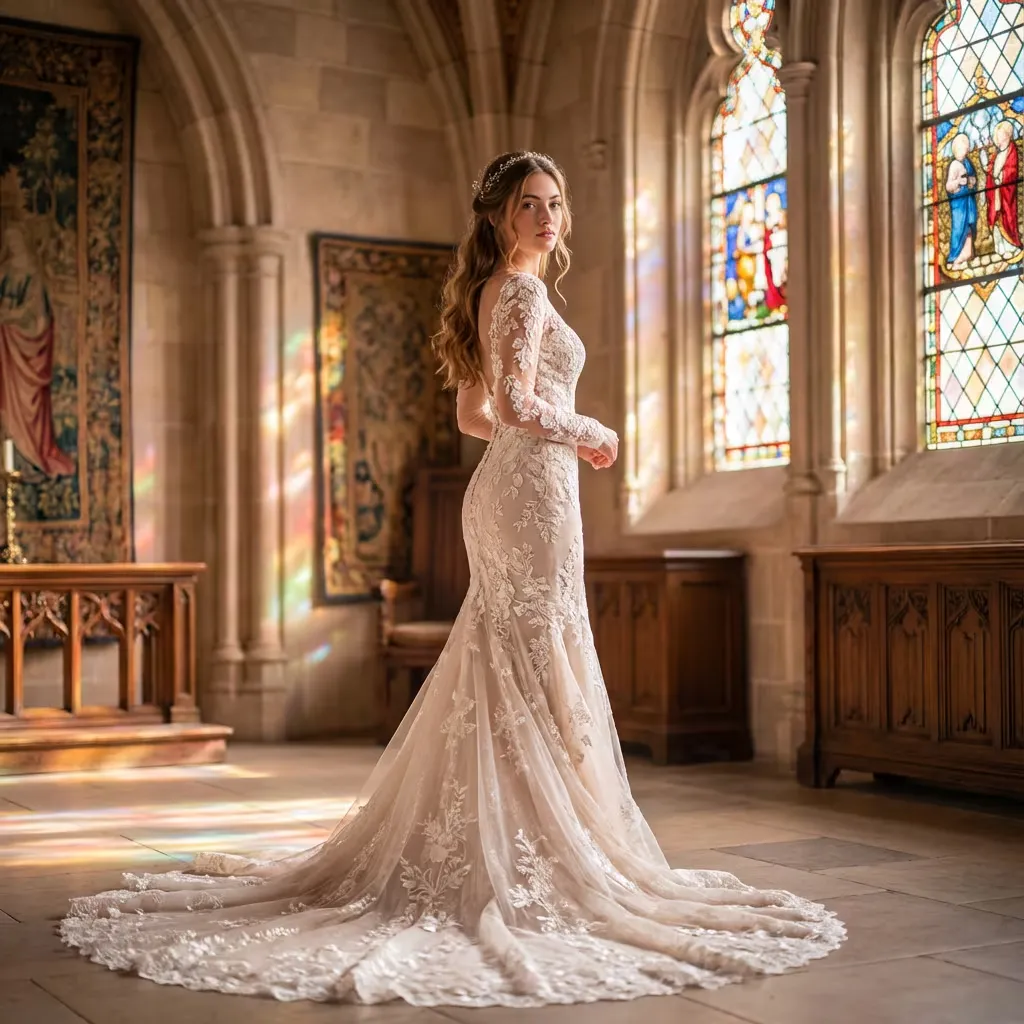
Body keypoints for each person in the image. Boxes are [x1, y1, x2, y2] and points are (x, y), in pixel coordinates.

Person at [60, 151, 844, 1007]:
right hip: (532, 495)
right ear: (500, 218)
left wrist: (535, 440)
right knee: (531, 654)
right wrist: (590, 430)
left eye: (554, 204)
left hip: (517, 490)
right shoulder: (520, 291)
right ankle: (531, 850)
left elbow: (474, 414)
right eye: (528, 206)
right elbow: (507, 407)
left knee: (514, 657)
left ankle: (524, 840)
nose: (546, 218)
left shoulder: (498, 293)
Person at [0, 223, 75, 477]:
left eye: (14, 243)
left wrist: (8, 316)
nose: (11, 249)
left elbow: (35, 316)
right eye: (7, 244)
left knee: (25, 402)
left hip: (26, 351)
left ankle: (29, 457)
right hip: (6, 351)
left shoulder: (32, 276)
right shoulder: (4, 274)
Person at [985, 119, 1021, 259]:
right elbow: (990, 171)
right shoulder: (995, 154)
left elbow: (1012, 170)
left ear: (1008, 136)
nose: (999, 140)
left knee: (1007, 218)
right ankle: (999, 248)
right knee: (994, 217)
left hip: (1006, 193)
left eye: (1002, 136)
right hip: (995, 193)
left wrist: (1002, 177)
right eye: (997, 137)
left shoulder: (1012, 151)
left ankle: (1011, 246)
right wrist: (990, 174)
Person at [945, 132, 978, 269]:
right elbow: (949, 186)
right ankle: (955, 258)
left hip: (968, 200)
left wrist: (971, 182)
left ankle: (967, 255)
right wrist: (959, 182)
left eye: (966, 147)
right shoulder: (953, 165)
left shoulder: (968, 163)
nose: (964, 150)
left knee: (969, 226)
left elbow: (974, 181)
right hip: (958, 204)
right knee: (959, 228)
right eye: (962, 148)